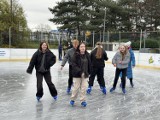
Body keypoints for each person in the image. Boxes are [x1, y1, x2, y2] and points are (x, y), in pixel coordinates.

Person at [70, 42, 91, 107]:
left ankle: (83, 100)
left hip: (85, 74)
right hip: (77, 74)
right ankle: (73, 99)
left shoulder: (87, 55)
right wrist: (80, 71)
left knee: (84, 88)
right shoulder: (75, 55)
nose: (83, 48)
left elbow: (90, 64)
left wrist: (89, 72)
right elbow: (74, 65)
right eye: (81, 46)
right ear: (79, 48)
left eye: (84, 46)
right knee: (76, 88)